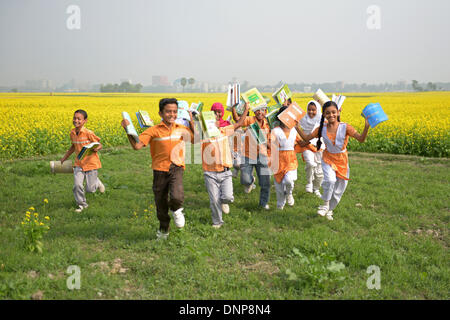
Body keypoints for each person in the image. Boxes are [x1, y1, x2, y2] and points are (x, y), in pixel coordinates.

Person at [121, 98, 195, 240]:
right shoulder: (153, 131)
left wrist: (191, 121)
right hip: (159, 170)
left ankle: (176, 209)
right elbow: (137, 146)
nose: (172, 114)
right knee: (160, 203)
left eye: (174, 111)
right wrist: (127, 130)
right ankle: (163, 229)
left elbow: (195, 139)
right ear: (160, 113)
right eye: (168, 111)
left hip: (176, 167)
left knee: (177, 196)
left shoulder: (181, 128)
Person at [295, 101, 370, 220]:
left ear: (338, 112)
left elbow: (361, 139)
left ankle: (330, 209)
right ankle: (324, 205)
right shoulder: (321, 128)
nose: (331, 115)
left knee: (339, 190)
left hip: (342, 161)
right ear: (324, 115)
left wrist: (366, 127)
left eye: (333, 112)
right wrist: (297, 127)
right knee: (330, 180)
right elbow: (306, 138)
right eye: (328, 113)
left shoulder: (346, 127)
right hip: (328, 158)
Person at [201, 103, 250, 228]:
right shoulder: (204, 133)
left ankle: (224, 202)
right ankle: (217, 222)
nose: (218, 114)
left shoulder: (224, 130)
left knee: (227, 197)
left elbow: (239, 123)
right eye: (215, 112)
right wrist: (192, 116)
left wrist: (246, 110)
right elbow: (193, 130)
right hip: (210, 172)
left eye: (219, 112)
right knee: (214, 200)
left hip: (225, 171)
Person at [60, 109, 105, 213]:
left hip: (91, 163)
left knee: (90, 189)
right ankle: (82, 205)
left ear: (85, 121)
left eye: (79, 119)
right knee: (77, 185)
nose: (76, 120)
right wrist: (64, 158)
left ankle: (97, 183)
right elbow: (73, 147)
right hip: (78, 164)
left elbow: (99, 144)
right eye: (74, 118)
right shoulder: (72, 133)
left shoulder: (88, 133)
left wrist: (97, 148)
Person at [231, 104, 272, 210]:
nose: (260, 112)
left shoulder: (268, 124)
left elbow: (270, 142)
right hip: (247, 155)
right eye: (257, 110)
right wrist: (240, 109)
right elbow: (237, 119)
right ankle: (251, 180)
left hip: (262, 155)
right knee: (245, 180)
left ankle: (263, 204)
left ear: (266, 112)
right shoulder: (250, 120)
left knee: (265, 182)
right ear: (254, 112)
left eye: (262, 110)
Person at [270, 106, 304, 210]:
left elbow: (301, 142)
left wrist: (312, 144)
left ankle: (289, 193)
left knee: (288, 181)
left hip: (291, 161)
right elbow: (270, 143)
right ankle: (280, 206)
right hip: (278, 161)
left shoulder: (294, 130)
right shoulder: (275, 131)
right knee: (279, 187)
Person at [297, 100, 324, 197]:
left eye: (313, 110)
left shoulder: (322, 120)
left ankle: (316, 189)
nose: (311, 112)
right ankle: (309, 182)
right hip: (306, 146)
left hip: (318, 146)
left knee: (319, 173)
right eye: (309, 109)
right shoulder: (303, 118)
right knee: (310, 163)